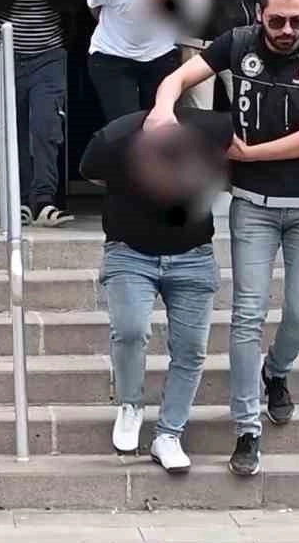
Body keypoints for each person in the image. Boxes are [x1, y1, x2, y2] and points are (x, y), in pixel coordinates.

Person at [146, 0, 299, 478]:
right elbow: (178, 77)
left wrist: (251, 154)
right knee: (247, 316)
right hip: (254, 205)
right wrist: (164, 108)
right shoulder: (236, 43)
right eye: (277, 20)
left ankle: (275, 372)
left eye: (297, 21)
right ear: (260, 14)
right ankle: (247, 429)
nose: (287, 30)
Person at [80, 108, 231, 474]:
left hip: (193, 255)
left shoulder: (209, 131)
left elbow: (234, 167)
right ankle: (130, 404)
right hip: (129, 252)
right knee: (130, 330)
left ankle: (169, 434)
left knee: (191, 348)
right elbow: (91, 172)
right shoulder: (115, 139)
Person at [0, 0, 85, 227]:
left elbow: (75, 4)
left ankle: (44, 200)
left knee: (46, 126)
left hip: (48, 58)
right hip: (5, 57)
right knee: (11, 130)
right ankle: (18, 199)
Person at [85, 0, 206, 129]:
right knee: (124, 126)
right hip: (112, 54)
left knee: (162, 123)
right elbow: (94, 6)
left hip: (160, 55)